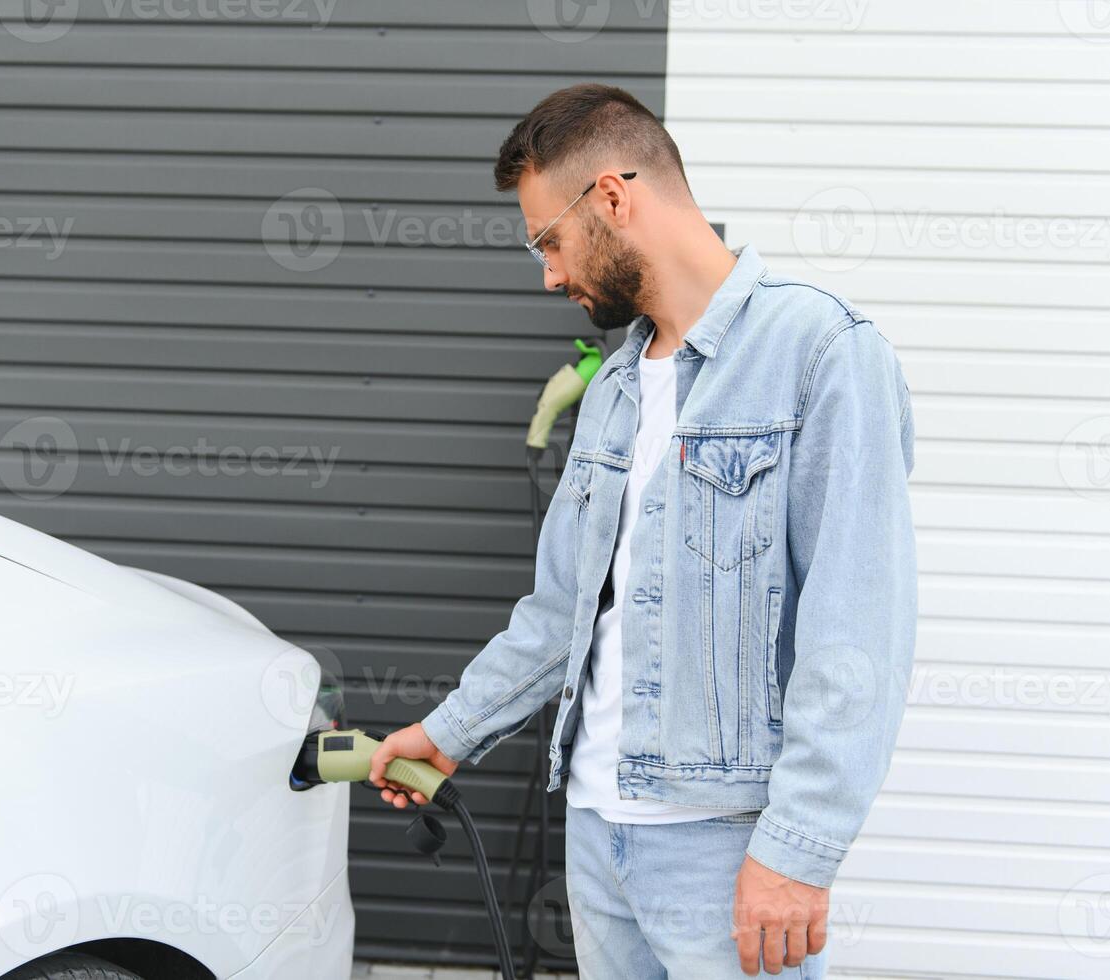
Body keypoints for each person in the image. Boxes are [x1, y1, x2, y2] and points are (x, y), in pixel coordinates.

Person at [369, 83, 916, 978]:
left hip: (720, 845)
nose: (547, 272)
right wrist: (450, 730)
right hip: (596, 832)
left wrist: (799, 848)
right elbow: (558, 615)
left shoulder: (819, 352)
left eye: (547, 239)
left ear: (613, 200)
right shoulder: (618, 388)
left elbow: (856, 628)